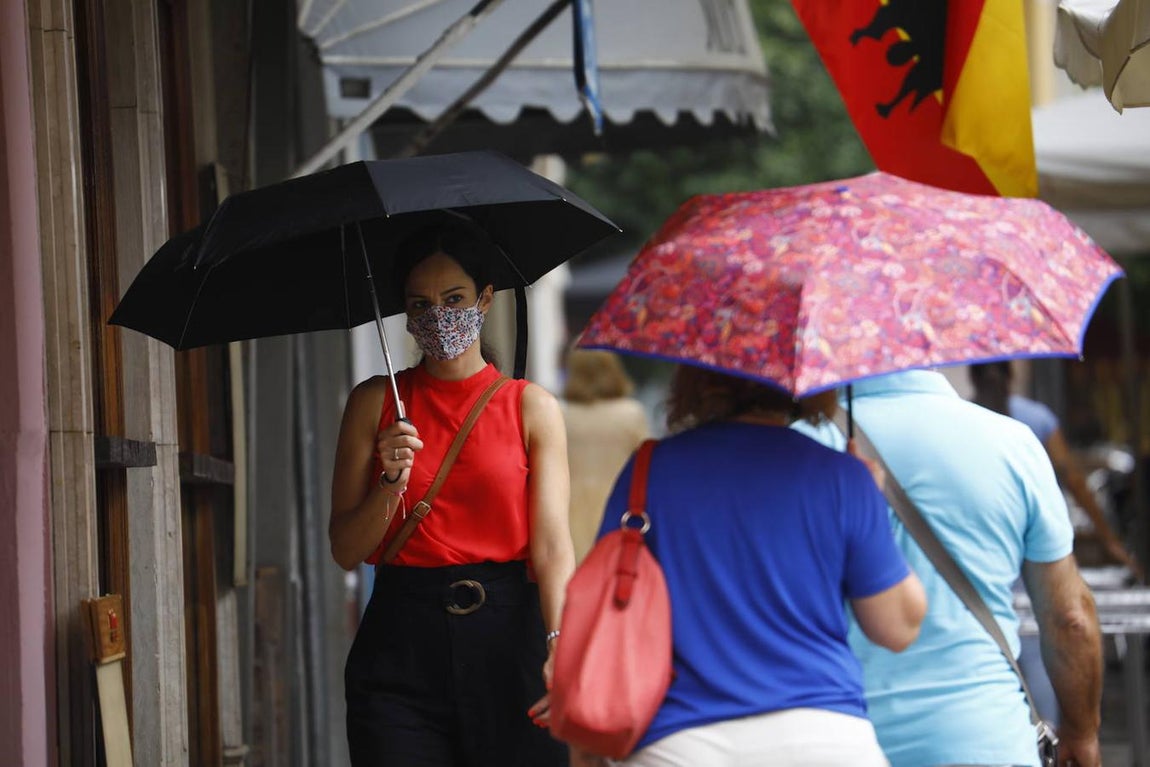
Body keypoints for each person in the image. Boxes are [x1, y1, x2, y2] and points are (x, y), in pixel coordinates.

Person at [542, 365, 927, 767]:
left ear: (695, 379)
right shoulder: (843, 475)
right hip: (825, 737)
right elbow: (897, 627)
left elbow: (599, 609)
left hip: (681, 743)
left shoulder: (649, 470)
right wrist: (868, 495)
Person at [328, 221, 574, 766]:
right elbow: (346, 548)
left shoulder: (529, 407)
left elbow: (553, 546)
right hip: (401, 639)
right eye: (420, 303)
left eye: (454, 298)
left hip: (509, 634)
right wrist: (389, 484)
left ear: (485, 299)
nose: (438, 315)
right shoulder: (374, 404)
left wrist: (562, 642)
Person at [812, 370, 1104, 767]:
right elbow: (1070, 618)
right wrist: (1082, 732)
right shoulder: (1012, 443)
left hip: (842, 738)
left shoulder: (798, 449)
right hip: (986, 738)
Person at [969, 360, 1141, 578]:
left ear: (972, 378)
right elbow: (1073, 479)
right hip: (1037, 544)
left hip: (983, 544)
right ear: (1011, 376)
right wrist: (1108, 538)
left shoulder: (960, 421)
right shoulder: (1036, 418)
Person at [561, 349, 651, 562]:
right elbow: (646, 466)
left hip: (569, 517)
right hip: (620, 513)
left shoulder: (560, 414)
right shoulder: (631, 414)